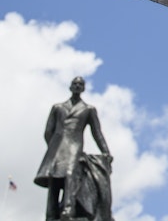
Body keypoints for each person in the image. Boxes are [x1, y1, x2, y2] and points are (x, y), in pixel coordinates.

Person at [34, 77, 112, 220]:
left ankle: (68, 209)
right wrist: (52, 147)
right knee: (55, 179)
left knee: (70, 174)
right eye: (75, 84)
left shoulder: (89, 109)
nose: (77, 86)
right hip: (57, 146)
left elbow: (97, 132)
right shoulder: (57, 107)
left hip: (75, 145)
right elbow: (47, 131)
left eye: (80, 84)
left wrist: (106, 151)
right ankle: (51, 213)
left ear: (83, 88)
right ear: (70, 87)